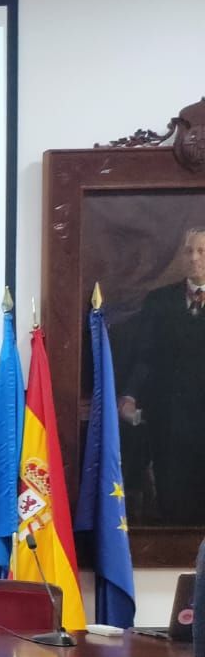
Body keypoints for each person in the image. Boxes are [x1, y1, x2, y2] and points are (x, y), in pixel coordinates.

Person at [119, 225, 205, 525]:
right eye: (189, 250)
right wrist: (129, 396)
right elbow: (144, 357)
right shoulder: (160, 301)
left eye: (201, 251)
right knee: (173, 502)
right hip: (170, 422)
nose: (194, 258)